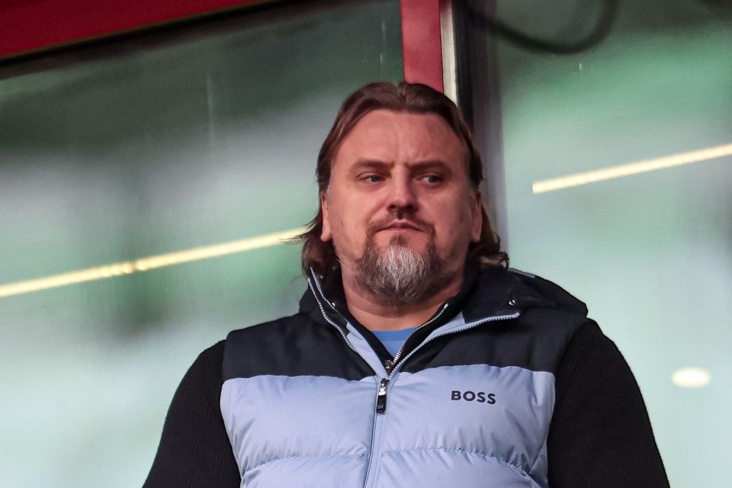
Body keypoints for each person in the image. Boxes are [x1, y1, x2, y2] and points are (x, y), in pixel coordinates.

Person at [143, 82, 669, 488]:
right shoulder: (229, 374)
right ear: (328, 210)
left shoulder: (566, 359)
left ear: (474, 214)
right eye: (372, 177)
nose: (400, 197)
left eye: (431, 177)